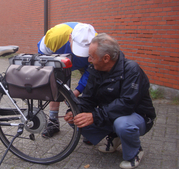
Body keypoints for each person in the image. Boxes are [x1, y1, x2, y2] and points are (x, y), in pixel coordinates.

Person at [64, 33, 156, 168]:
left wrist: (94, 116)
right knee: (78, 118)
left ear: (106, 58)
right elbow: (88, 98)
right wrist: (75, 110)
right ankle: (115, 137)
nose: (89, 60)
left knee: (122, 124)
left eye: (92, 56)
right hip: (111, 114)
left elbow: (126, 104)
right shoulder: (95, 70)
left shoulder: (131, 70)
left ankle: (135, 152)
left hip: (138, 116)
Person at [37, 22, 97, 143]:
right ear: (70, 38)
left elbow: (91, 72)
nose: (80, 54)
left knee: (93, 87)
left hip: (85, 64)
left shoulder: (97, 42)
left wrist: (77, 90)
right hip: (59, 58)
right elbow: (42, 54)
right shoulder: (54, 37)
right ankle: (53, 121)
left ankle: (88, 128)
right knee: (55, 84)